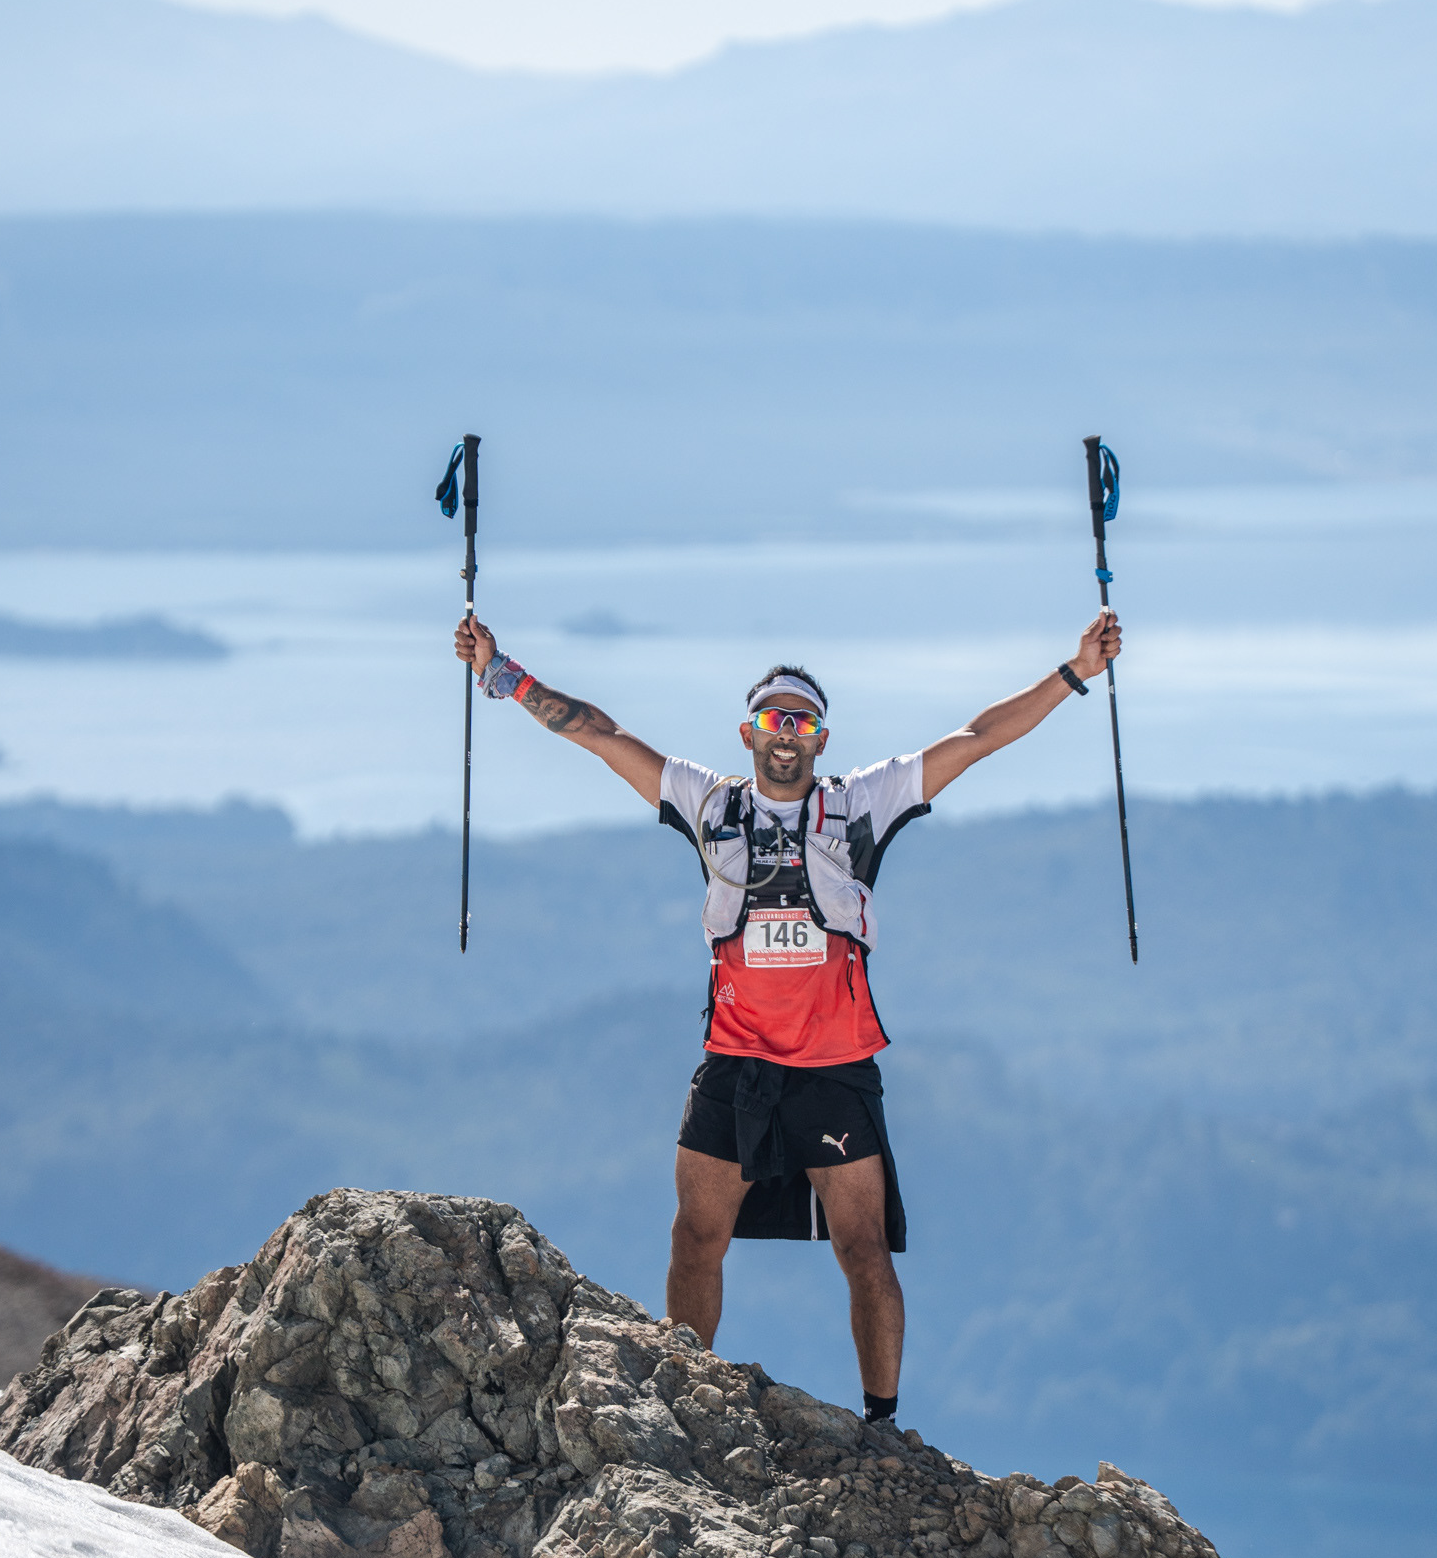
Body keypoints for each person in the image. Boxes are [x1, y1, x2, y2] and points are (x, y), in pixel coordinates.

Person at [452, 608, 1122, 1422]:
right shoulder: (708, 803)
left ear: (821, 739)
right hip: (736, 1062)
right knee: (695, 1237)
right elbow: (600, 733)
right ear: (748, 732)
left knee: (863, 1248)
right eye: (774, 719)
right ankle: (685, 1397)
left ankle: (882, 1424)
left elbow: (977, 739)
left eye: (802, 723)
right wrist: (503, 674)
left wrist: (1074, 672)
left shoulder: (862, 803)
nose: (786, 734)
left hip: (833, 1068)